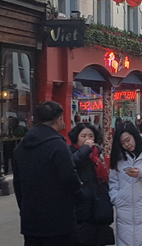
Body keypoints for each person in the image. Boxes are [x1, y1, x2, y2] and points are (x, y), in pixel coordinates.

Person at [13, 101, 82, 246]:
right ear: (59, 120)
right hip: (58, 221)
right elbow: (69, 177)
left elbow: (17, 184)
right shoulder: (58, 145)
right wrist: (79, 194)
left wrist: (25, 207)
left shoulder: (21, 147)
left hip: (31, 220)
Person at [68, 123, 115, 246]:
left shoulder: (97, 155)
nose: (87, 138)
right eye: (83, 135)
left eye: (90, 135)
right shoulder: (71, 153)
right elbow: (69, 166)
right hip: (82, 211)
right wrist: (84, 151)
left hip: (100, 210)